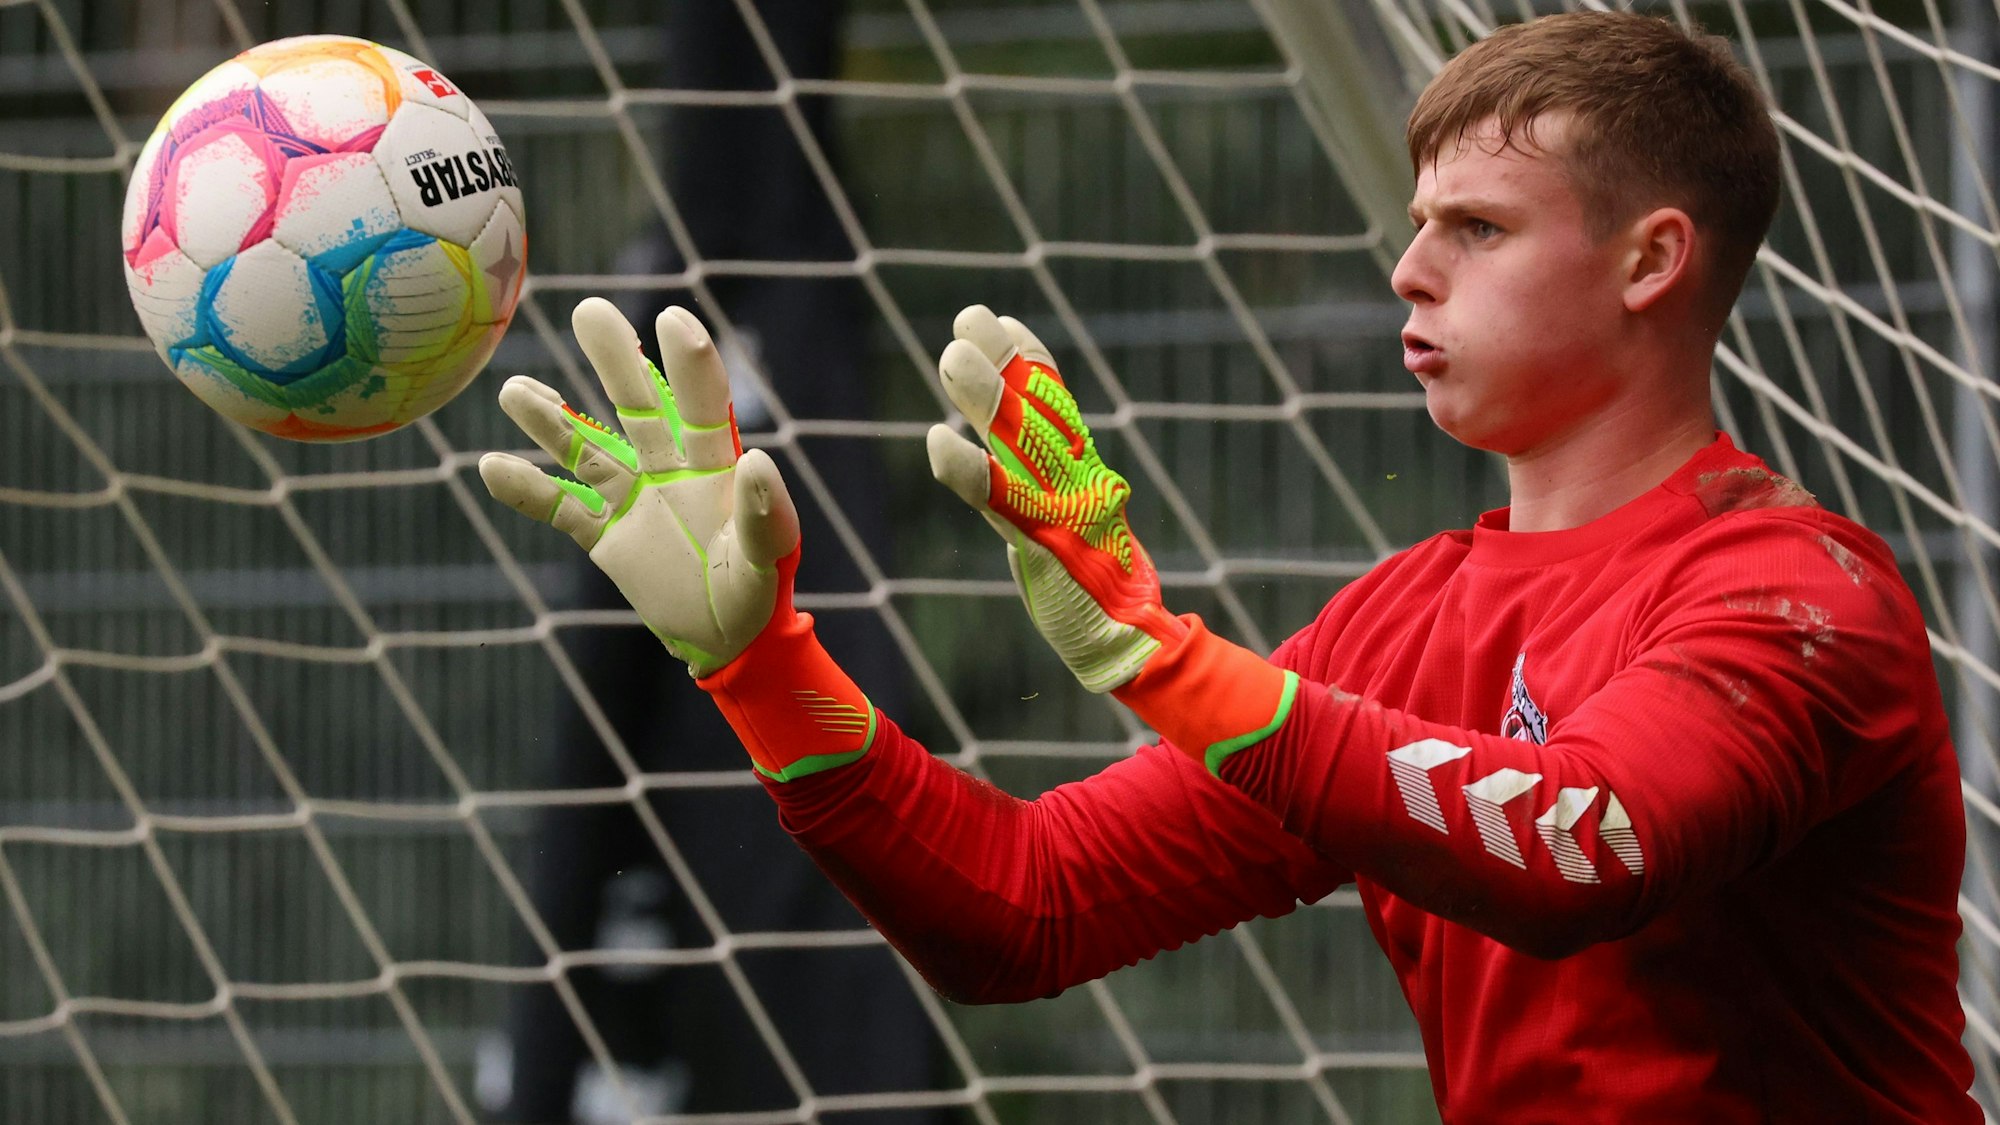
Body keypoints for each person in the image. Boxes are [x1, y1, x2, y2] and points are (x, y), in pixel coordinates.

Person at [477, 10, 1979, 1122]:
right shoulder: (1401, 626)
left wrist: (1154, 651)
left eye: (1479, 227)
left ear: (1653, 261)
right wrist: (763, 666)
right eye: (1416, 225)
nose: (1410, 267)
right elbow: (1022, 904)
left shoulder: (1803, 599)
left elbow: (1583, 847)